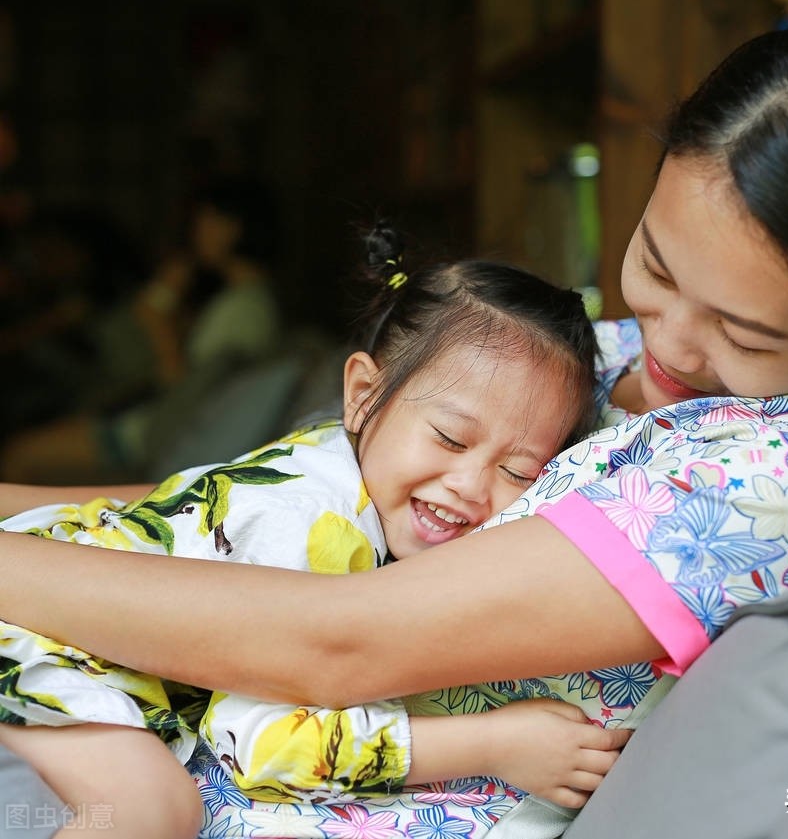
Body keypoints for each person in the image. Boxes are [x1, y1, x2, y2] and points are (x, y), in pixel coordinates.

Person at [0, 19, 788, 838]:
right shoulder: (583, 358)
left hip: (241, 777)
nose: (669, 343)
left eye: (744, 331)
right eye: (660, 266)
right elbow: (264, 502)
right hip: (187, 727)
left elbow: (338, 645)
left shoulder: (772, 484)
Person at [0, 222, 615, 837]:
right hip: (43, 643)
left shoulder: (348, 462)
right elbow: (259, 741)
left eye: (517, 471)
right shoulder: (310, 519)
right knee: (151, 808)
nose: (471, 484)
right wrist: (492, 743)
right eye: (450, 438)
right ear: (363, 395)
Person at [0, 176, 283, 486]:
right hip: (148, 421)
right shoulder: (237, 299)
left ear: (235, 227)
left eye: (209, 219)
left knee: (17, 457)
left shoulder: (245, 307)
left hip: (152, 434)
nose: (197, 230)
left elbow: (181, 386)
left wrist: (155, 318)